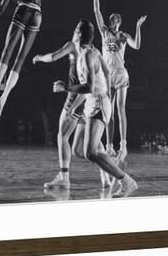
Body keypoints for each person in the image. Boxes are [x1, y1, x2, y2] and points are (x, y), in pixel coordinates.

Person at [37, 20, 138, 196]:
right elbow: (106, 72)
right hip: (93, 101)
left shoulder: (86, 56)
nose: (73, 31)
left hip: (97, 102)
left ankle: (126, 181)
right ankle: (112, 163)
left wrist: (66, 88)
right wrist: (105, 92)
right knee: (78, 149)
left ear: (77, 34)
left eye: (75, 29)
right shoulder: (94, 51)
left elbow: (89, 87)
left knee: (90, 152)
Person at [88, 0, 147, 162]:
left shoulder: (123, 36)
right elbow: (96, 10)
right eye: (110, 19)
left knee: (121, 109)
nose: (111, 21)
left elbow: (137, 46)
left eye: (114, 20)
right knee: (108, 112)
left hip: (120, 74)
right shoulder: (104, 32)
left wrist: (138, 27)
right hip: (107, 76)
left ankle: (123, 146)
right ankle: (110, 146)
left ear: (119, 22)